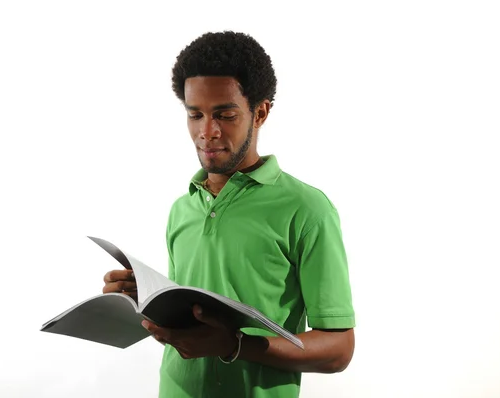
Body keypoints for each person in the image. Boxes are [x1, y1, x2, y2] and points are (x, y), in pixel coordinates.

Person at [102, 31, 356, 398]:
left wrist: (233, 345)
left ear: (261, 112)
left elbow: (339, 349)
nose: (207, 132)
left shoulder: (308, 209)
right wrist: (144, 301)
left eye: (225, 114)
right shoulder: (182, 208)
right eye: (195, 115)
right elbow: (190, 326)